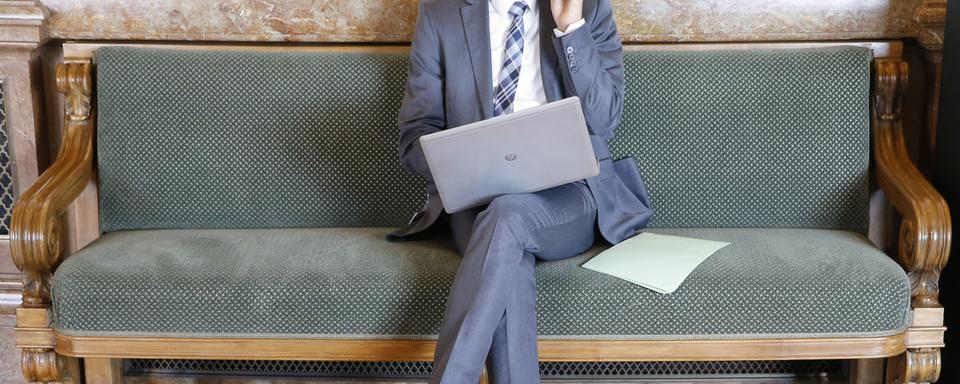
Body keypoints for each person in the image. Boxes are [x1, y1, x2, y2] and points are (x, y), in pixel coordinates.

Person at [386, 0, 653, 382]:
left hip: (568, 196)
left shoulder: (588, 8)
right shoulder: (441, 13)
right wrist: (471, 158)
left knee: (507, 220)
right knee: (506, 225)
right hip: (478, 202)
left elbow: (605, 119)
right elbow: (415, 136)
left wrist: (570, 28)